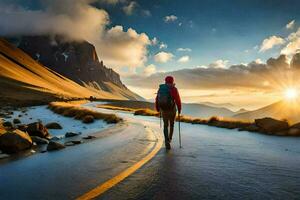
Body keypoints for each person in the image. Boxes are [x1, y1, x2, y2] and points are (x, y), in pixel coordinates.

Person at [155, 76, 181, 149]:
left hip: (163, 110)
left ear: (165, 81)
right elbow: (178, 100)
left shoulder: (161, 88)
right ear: (172, 81)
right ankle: (170, 139)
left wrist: (158, 108)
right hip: (172, 110)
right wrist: (179, 109)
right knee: (172, 124)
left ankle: (166, 141)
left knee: (165, 125)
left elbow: (157, 99)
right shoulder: (174, 89)